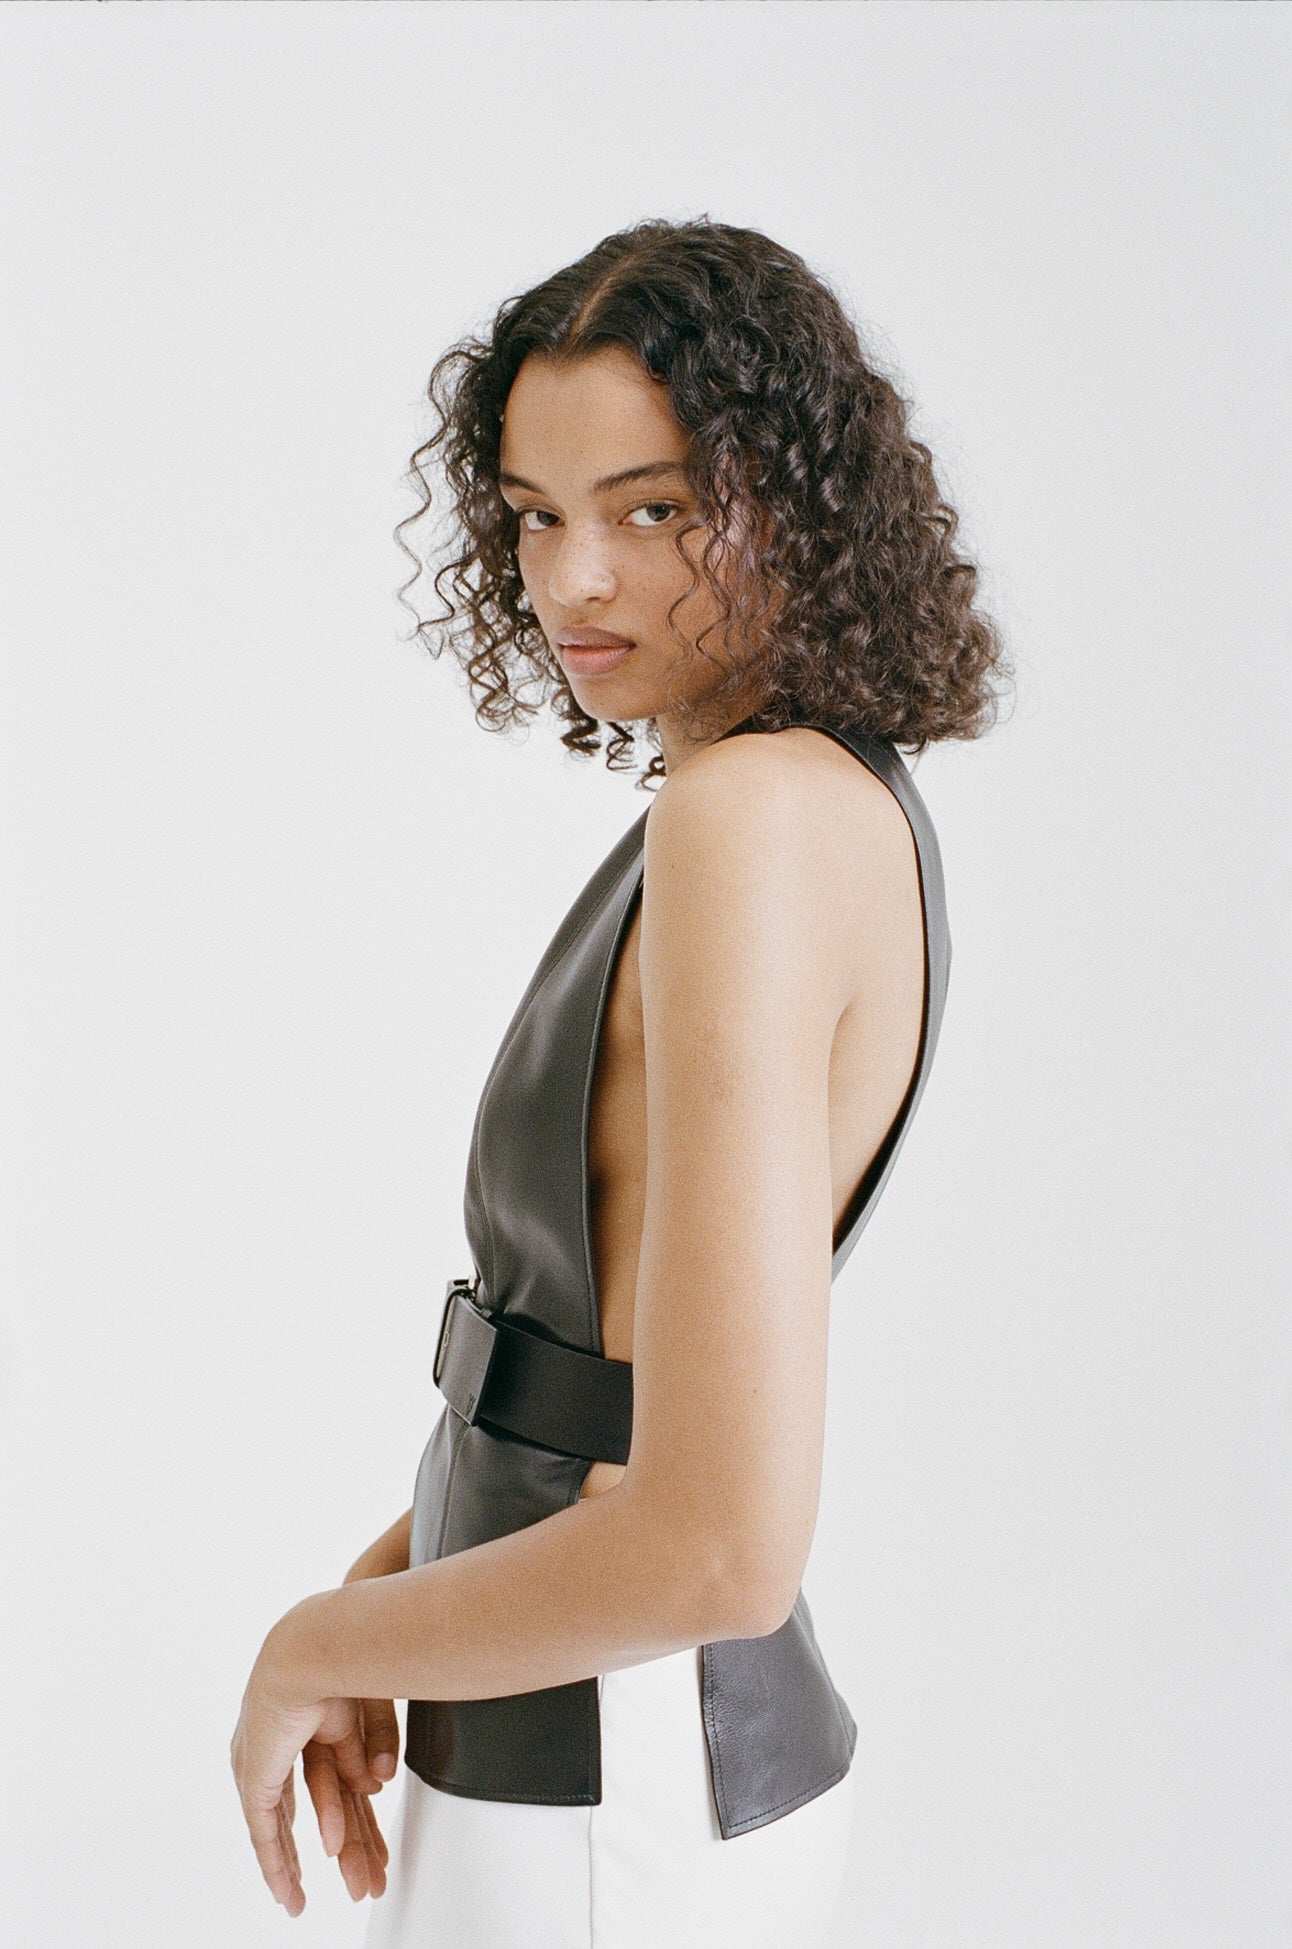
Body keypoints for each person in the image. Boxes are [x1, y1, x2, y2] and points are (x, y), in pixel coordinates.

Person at [229, 216, 1010, 1945]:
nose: (576, 579)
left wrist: (312, 1647)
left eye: (652, 509)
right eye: (534, 515)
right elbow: (605, 1386)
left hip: (615, 1776)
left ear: (795, 501)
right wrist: (400, 1581)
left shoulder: (748, 820)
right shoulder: (802, 800)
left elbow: (721, 1536)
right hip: (594, 1744)